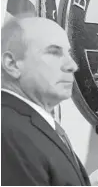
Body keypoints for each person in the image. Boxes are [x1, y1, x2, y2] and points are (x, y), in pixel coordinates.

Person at [1, 16, 90, 185]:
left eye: (68, 53)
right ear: (12, 64)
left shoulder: (28, 126)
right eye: (54, 52)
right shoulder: (8, 130)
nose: (72, 65)